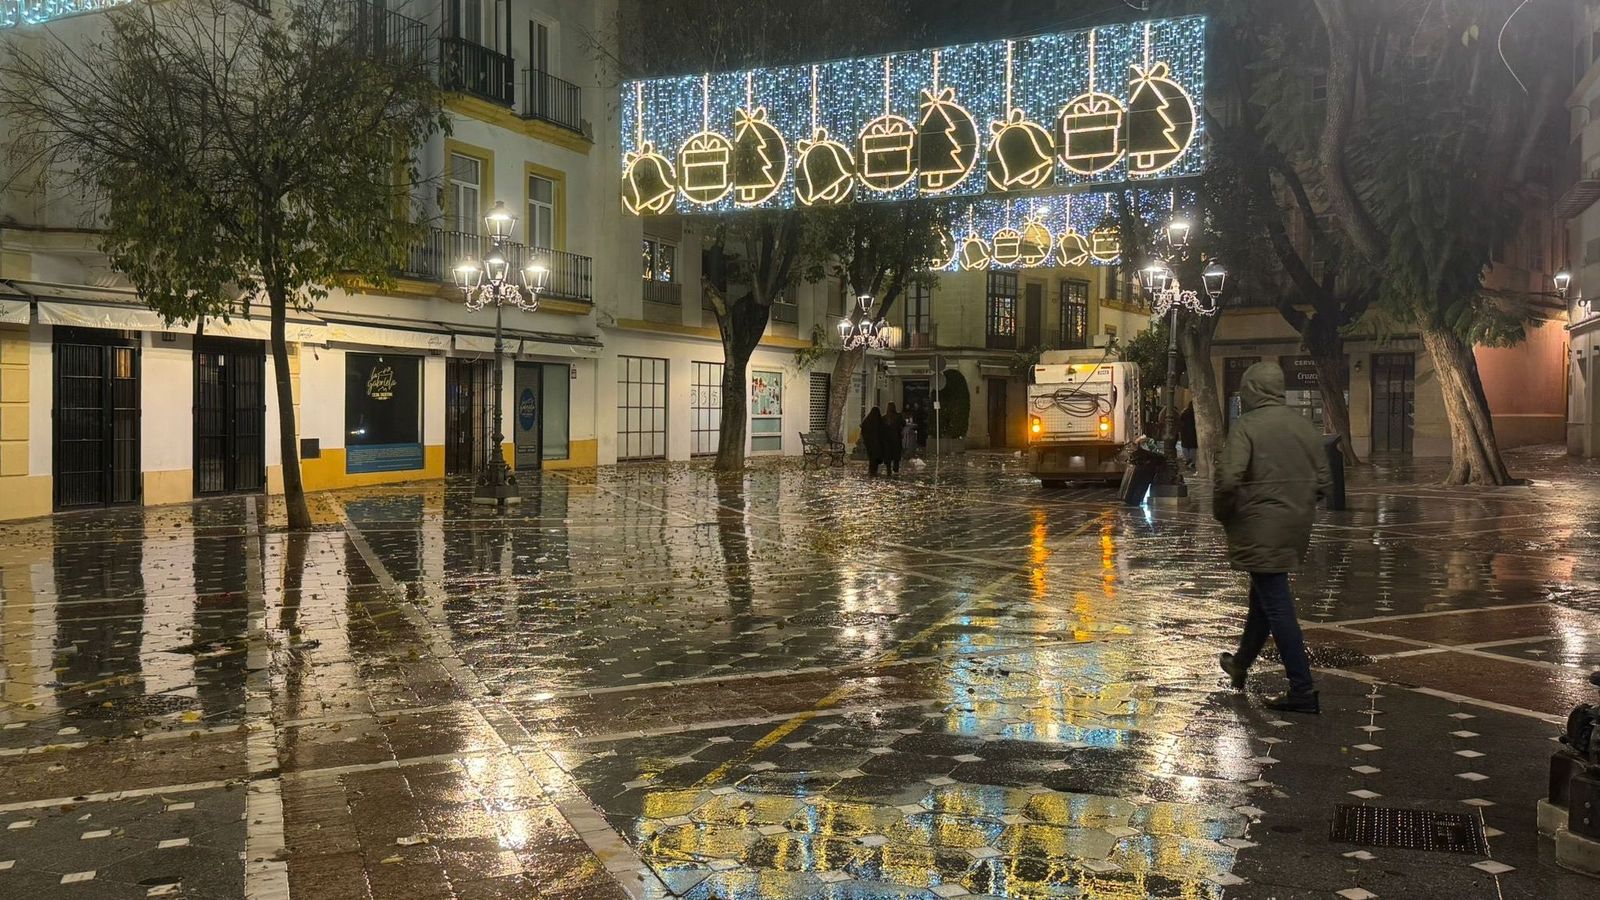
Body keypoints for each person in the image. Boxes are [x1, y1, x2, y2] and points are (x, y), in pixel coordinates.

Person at [1215, 362, 1331, 714]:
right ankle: (1240, 663)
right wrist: (1296, 505)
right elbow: (1325, 482)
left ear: (1252, 389)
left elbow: (1228, 479)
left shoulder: (1246, 427)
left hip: (1257, 525)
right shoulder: (1304, 426)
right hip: (1294, 527)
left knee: (1278, 607)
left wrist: (1224, 512)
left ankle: (1302, 688)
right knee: (1263, 598)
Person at [860, 407, 888, 476]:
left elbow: (862, 427)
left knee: (872, 457)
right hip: (877, 443)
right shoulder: (879, 421)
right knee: (876, 457)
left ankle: (871, 470)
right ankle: (874, 470)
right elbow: (883, 431)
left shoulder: (867, 420)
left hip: (869, 443)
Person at [884, 403, 905, 475]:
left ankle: (888, 469)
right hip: (896, 438)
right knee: (896, 454)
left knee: (888, 454)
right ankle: (896, 468)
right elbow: (903, 423)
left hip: (887, 439)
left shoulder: (885, 417)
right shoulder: (898, 416)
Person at [1178, 403, 1198, 470]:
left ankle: (1188, 459)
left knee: (1185, 446)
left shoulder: (1184, 412)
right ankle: (1192, 461)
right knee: (1192, 447)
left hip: (1185, 433)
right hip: (1193, 433)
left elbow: (1180, 422)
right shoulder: (1195, 413)